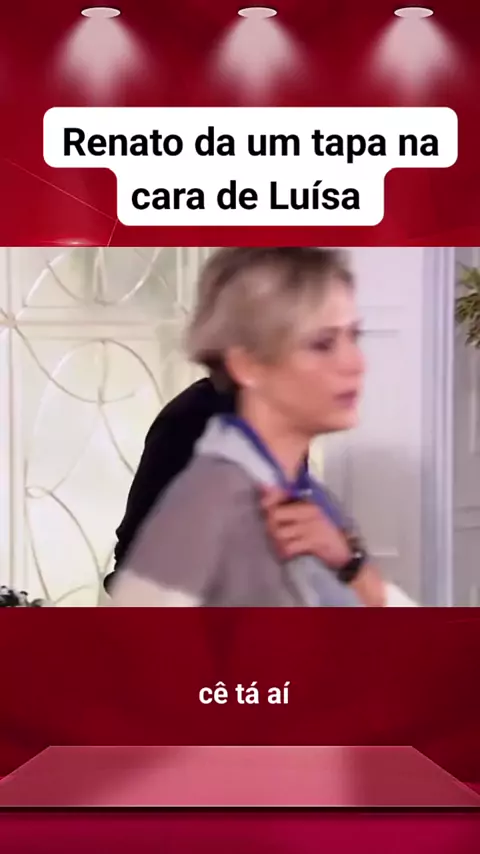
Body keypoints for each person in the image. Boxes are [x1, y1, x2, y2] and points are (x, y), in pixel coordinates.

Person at [108, 247, 410, 607]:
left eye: (354, 337)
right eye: (322, 344)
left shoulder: (311, 495)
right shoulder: (203, 458)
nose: (356, 363)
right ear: (247, 365)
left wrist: (350, 564)